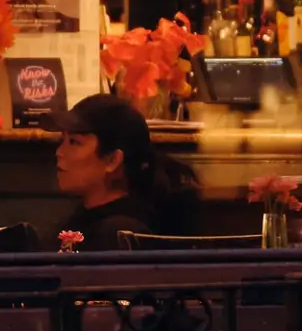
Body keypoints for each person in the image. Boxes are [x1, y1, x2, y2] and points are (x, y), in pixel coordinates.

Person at [49, 90, 201, 247]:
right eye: (63, 140)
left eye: (74, 142)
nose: (59, 152)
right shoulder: (81, 218)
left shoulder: (118, 234)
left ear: (113, 160)